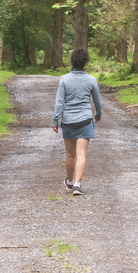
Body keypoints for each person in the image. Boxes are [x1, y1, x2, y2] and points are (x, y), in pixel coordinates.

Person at [52, 48, 102, 196]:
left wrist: (56, 119)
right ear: (86, 62)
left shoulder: (64, 79)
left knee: (70, 155)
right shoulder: (91, 80)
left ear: (71, 61)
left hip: (68, 120)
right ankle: (77, 185)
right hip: (85, 120)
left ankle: (70, 181)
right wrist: (98, 114)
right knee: (82, 154)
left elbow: (59, 102)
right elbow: (97, 102)